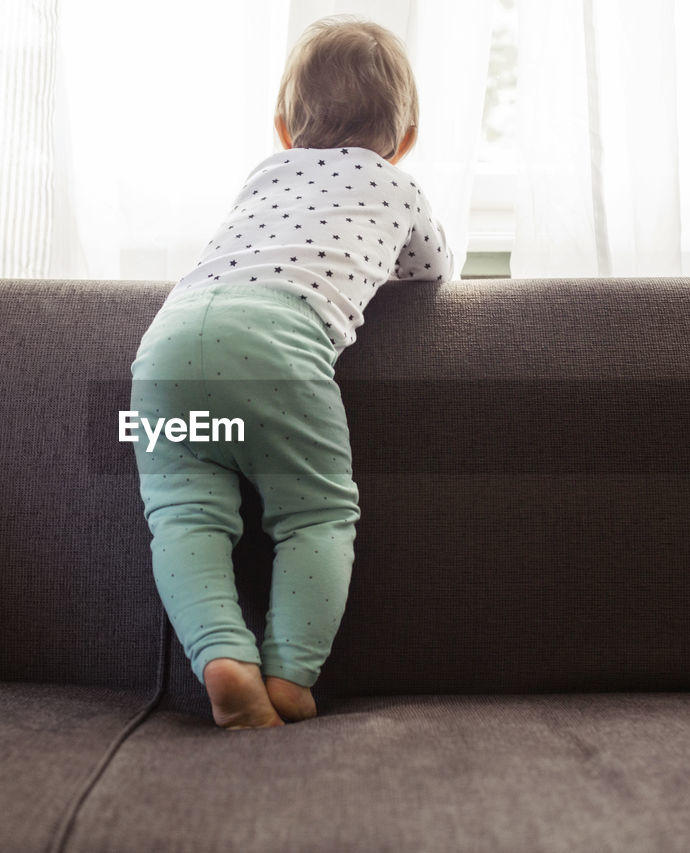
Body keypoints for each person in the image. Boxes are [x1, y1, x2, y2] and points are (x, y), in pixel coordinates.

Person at [128, 14, 453, 730]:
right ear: (404, 141)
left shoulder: (264, 175)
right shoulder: (399, 189)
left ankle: (221, 656)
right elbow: (432, 274)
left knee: (183, 513)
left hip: (165, 347)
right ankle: (287, 675)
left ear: (282, 128)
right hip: (275, 348)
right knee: (316, 515)